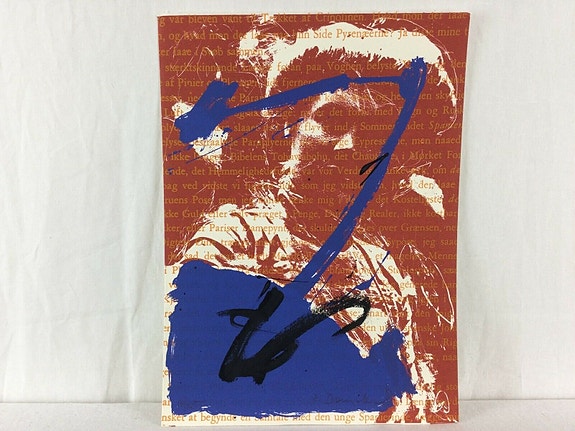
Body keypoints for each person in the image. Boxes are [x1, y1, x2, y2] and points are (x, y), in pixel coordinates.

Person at [167, 18, 460, 422]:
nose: (349, 146)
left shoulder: (386, 272)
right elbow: (202, 381)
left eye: (372, 134)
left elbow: (405, 401)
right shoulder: (234, 239)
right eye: (333, 121)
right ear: (288, 128)